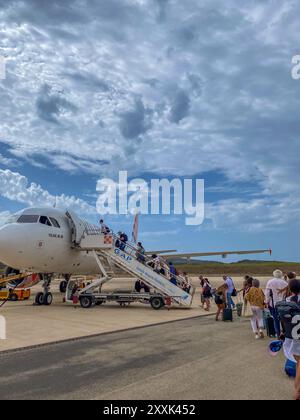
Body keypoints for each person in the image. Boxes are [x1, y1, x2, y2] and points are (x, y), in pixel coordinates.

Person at [265, 269, 288, 338]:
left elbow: (267, 293)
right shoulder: (284, 283)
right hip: (283, 303)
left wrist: (266, 302)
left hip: (273, 303)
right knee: (283, 319)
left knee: (275, 319)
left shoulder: (270, 282)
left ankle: (278, 334)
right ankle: (284, 333)